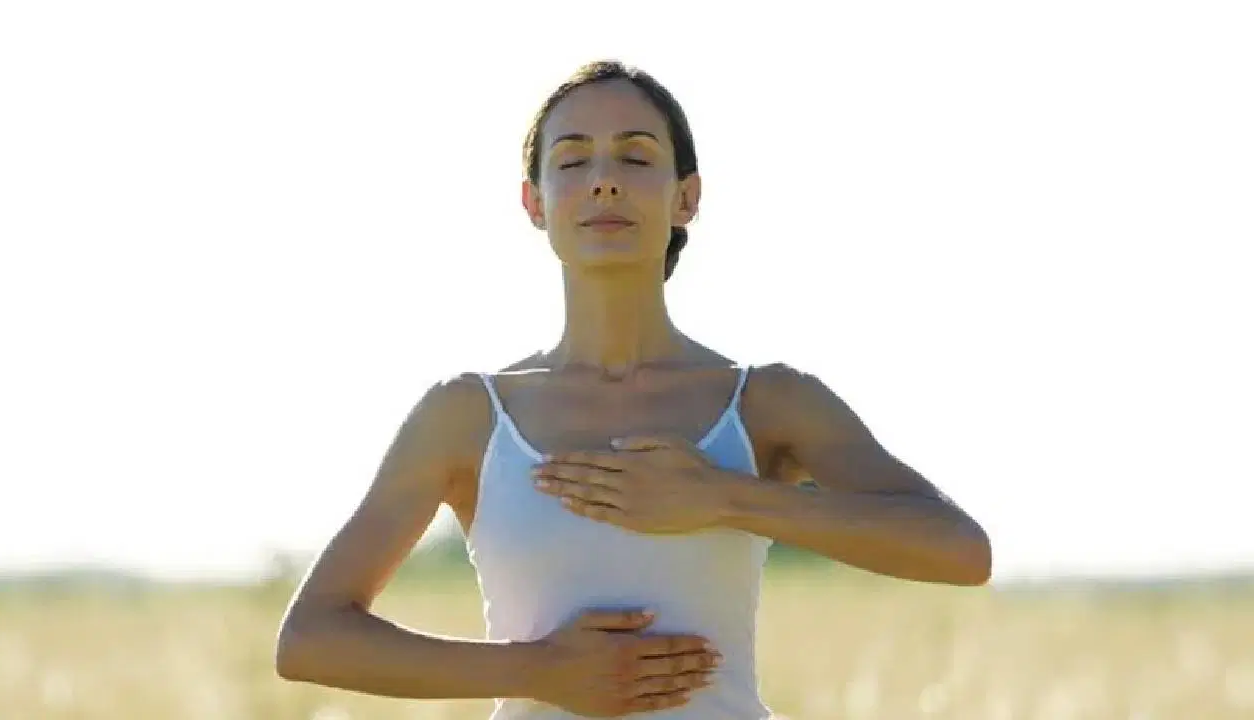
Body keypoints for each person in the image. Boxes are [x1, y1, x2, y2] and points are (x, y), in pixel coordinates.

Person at [274, 60, 992, 719]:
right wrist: (538, 670)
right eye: (573, 159)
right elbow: (310, 638)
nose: (604, 181)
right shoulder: (465, 416)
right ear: (534, 202)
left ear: (687, 197)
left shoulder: (769, 403)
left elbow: (961, 551)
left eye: (636, 156)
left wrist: (726, 498)